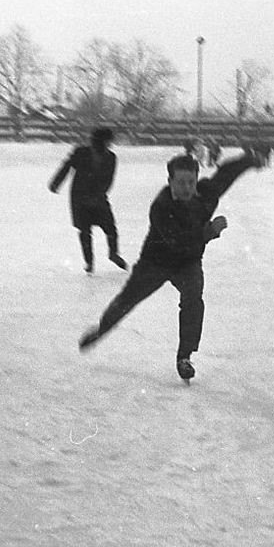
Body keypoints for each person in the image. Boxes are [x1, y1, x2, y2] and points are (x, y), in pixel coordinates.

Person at [78, 151, 262, 382]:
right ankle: (102, 329)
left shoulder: (205, 194)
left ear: (197, 180)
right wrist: (210, 231)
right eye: (180, 182)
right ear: (170, 182)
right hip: (155, 263)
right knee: (127, 300)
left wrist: (248, 160)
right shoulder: (161, 206)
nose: (186, 188)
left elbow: (225, 175)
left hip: (188, 263)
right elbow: (178, 240)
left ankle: (184, 357)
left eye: (191, 182)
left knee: (193, 298)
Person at [49, 126, 127, 274]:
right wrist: (56, 183)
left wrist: (99, 194)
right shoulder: (81, 152)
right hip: (80, 198)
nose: (110, 144)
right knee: (84, 231)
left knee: (110, 227)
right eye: (108, 141)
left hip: (98, 198)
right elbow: (66, 167)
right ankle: (89, 263)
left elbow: (109, 179)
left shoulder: (111, 157)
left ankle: (113, 254)